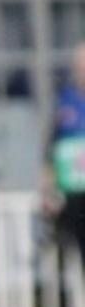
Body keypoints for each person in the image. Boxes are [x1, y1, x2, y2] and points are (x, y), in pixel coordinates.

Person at [50, 43, 85, 260]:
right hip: (74, 193)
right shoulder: (65, 101)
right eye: (80, 67)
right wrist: (49, 187)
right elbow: (52, 146)